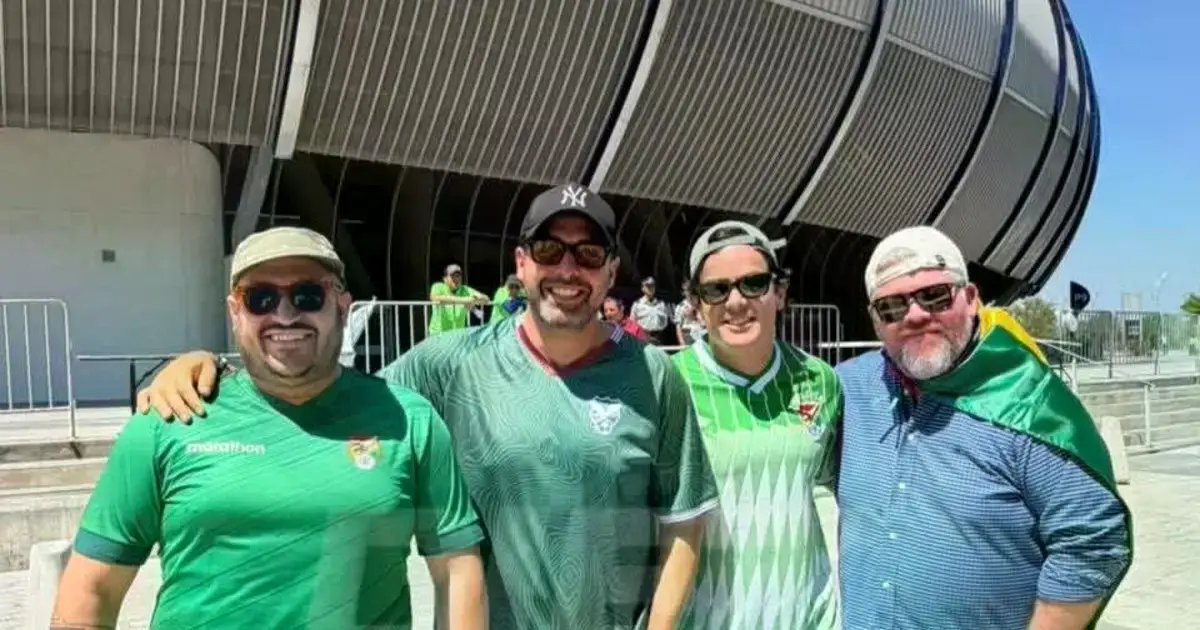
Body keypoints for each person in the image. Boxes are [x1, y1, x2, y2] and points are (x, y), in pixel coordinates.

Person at [133, 184, 720, 630]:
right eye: (549, 249)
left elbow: (685, 526)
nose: (568, 269)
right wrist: (216, 366)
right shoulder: (448, 364)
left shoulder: (652, 376)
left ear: (612, 271)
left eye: (589, 253)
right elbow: (323, 392)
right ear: (521, 265)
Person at [52, 227, 486, 629]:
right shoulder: (167, 421)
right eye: (260, 297)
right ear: (235, 312)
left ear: (341, 304)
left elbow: (457, 573)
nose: (284, 314)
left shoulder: (409, 421)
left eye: (307, 295)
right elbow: (93, 589)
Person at [834, 226, 1133, 630]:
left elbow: (1094, 541)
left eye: (935, 295)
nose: (917, 315)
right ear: (875, 321)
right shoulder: (848, 388)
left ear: (971, 299)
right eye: (892, 306)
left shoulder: (1029, 405)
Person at [671, 221, 841, 629]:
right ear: (695, 303)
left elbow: (824, 490)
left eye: (754, 284)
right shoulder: (667, 385)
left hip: (808, 618)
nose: (735, 302)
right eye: (716, 289)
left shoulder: (819, 379)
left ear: (779, 293)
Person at [428, 263, 489, 335]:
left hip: (457, 336)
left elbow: (486, 299)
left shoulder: (465, 289)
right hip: (438, 334)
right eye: (452, 276)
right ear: (445, 278)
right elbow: (435, 298)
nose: (456, 279)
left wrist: (475, 299)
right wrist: (466, 300)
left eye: (458, 276)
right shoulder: (438, 286)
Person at [630, 277, 671, 344]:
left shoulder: (661, 304)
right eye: (648, 286)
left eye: (652, 286)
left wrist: (659, 330)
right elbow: (632, 322)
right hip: (642, 336)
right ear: (642, 288)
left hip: (658, 337)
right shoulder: (637, 304)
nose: (650, 289)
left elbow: (665, 321)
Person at [672, 280, 705, 346]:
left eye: (691, 289)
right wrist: (682, 343)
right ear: (683, 292)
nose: (689, 292)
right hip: (687, 336)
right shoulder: (680, 307)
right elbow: (678, 327)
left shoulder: (701, 305)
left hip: (701, 335)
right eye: (687, 290)